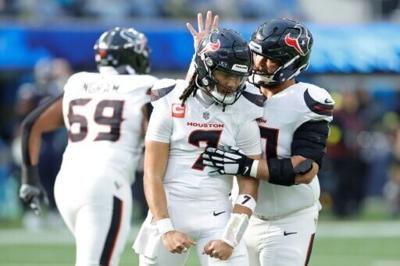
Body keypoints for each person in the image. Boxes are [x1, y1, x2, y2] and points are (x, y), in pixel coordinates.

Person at [18, 27, 158, 266]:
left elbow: (31, 125)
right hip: (105, 184)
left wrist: (29, 179)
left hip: (66, 185)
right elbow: (157, 137)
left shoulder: (79, 82)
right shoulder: (145, 86)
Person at [202, 18, 335, 266]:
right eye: (256, 54)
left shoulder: (307, 101)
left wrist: (246, 166)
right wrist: (204, 54)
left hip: (289, 219)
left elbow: (304, 168)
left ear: (292, 61)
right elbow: (194, 92)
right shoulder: (239, 89)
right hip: (238, 213)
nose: (259, 63)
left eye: (270, 58)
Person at [133, 26, 264, 265]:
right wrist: (165, 228)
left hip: (218, 215)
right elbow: (152, 174)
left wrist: (231, 237)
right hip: (169, 209)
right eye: (226, 75)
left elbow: (249, 185)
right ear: (205, 68)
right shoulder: (171, 100)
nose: (232, 84)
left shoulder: (245, 109)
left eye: (238, 76)